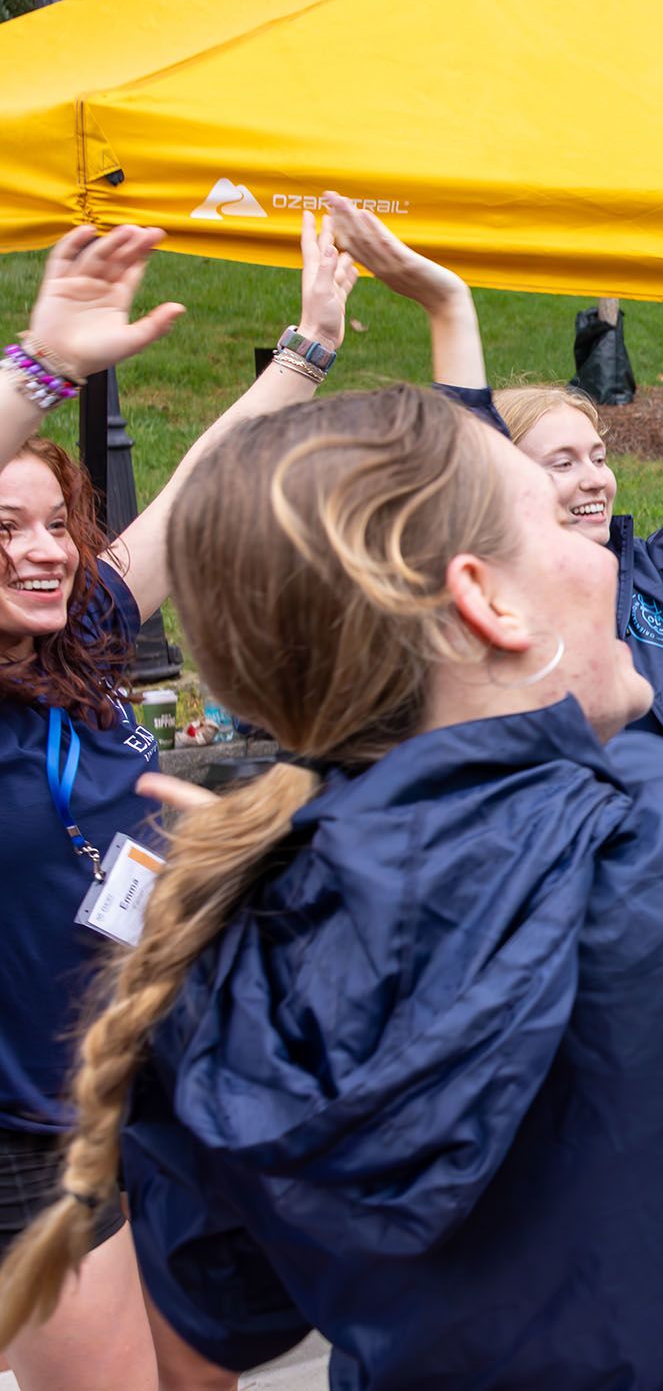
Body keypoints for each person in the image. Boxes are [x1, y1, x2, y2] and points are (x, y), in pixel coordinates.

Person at [0, 373, 663, 1384]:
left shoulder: (241, 961)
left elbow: (201, 1340)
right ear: (483, 600)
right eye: (552, 524)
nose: (606, 557)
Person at [0, 217, 365, 1390]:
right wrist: (39, 373)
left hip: (145, 1089)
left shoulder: (84, 638)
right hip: (29, 1133)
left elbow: (202, 486)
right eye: (3, 529)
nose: (43, 552)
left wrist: (307, 349)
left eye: (54, 525)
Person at [328, 192, 663, 752]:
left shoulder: (651, 573)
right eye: (562, 463)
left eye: (598, 456)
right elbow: (460, 477)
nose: (595, 479)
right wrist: (449, 308)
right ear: (505, 479)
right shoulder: (477, 599)